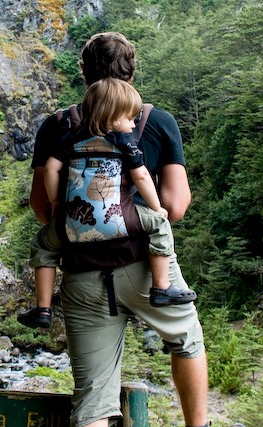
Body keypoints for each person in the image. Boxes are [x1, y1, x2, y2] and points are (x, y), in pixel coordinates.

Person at [27, 32, 250, 427]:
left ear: (85, 73)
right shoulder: (156, 121)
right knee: (186, 336)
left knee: (92, 404)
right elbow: (173, 207)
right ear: (133, 70)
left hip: (79, 274)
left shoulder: (58, 124)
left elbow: (41, 208)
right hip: (144, 263)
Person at [18, 77, 196, 329]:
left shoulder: (70, 138)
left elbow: (50, 169)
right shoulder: (124, 142)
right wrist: (157, 208)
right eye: (129, 118)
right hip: (119, 219)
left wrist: (56, 201)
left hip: (74, 223)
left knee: (42, 246)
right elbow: (142, 175)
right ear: (112, 118)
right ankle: (161, 286)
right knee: (159, 227)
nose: (134, 123)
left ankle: (43, 308)